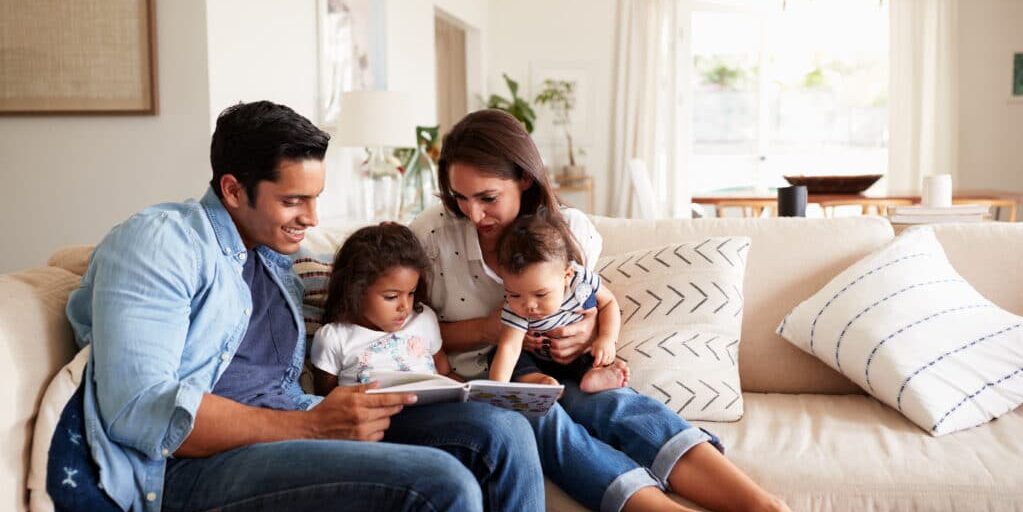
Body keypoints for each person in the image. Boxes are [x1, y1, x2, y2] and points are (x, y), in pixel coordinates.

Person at [62, 101, 543, 512]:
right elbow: (140, 408)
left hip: (299, 421)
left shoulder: (274, 256)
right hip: (193, 466)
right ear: (232, 190)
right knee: (442, 482)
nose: (311, 219)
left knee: (502, 430)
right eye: (294, 201)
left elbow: (373, 275)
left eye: (315, 199)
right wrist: (312, 426)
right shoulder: (161, 242)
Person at [410, 109, 790, 512]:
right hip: (484, 381)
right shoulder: (431, 235)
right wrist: (491, 330)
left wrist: (587, 334)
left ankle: (763, 506)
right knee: (539, 416)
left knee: (615, 405)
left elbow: (589, 304)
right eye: (460, 197)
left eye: (488, 198)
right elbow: (407, 334)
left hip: (561, 367)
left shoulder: (567, 230)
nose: (473, 214)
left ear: (524, 178)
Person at [489, 213, 629, 393]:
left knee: (594, 354)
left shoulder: (580, 282)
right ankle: (536, 380)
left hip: (578, 354)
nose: (528, 305)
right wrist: (495, 391)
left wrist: (607, 338)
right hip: (538, 360)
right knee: (498, 353)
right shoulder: (515, 309)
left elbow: (608, 303)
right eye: (514, 295)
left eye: (541, 294)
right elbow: (510, 348)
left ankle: (594, 375)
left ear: (566, 275)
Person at [309, 222, 454, 390]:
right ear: (356, 291)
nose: (405, 307)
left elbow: (444, 373)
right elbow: (326, 401)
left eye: (411, 293)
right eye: (391, 297)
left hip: (435, 409)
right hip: (377, 415)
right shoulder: (334, 338)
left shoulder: (424, 318)